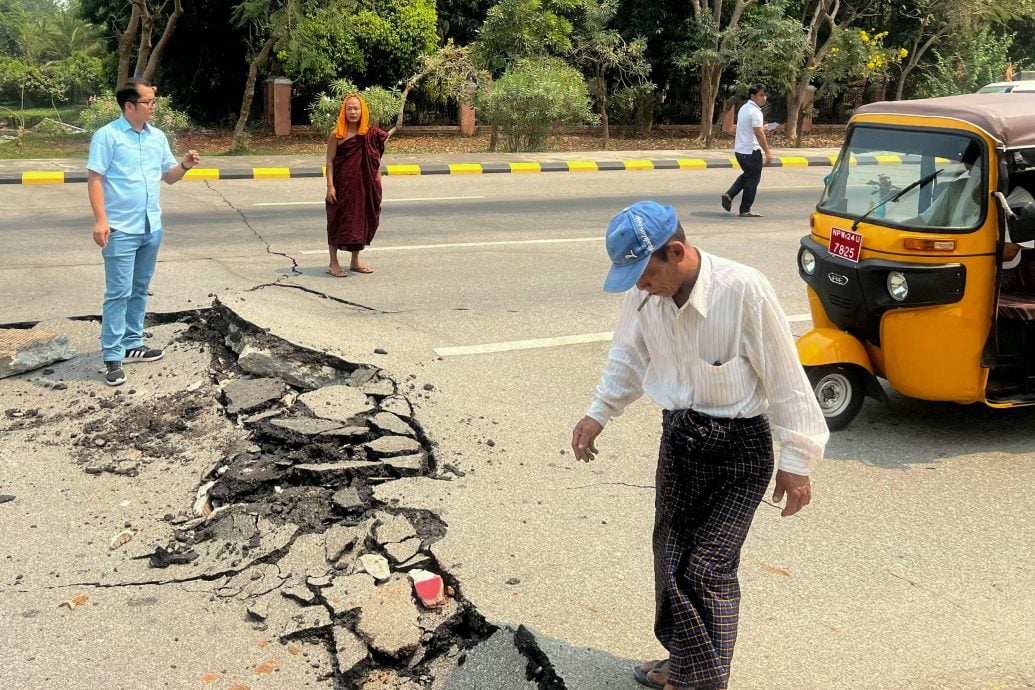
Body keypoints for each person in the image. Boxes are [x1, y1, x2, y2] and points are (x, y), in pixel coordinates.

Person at [570, 201, 828, 690]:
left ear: (677, 252)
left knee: (707, 567)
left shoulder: (743, 290)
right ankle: (684, 660)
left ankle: (697, 682)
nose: (638, 287)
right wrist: (597, 413)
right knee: (671, 558)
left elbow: (785, 376)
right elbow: (628, 355)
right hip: (680, 439)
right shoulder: (645, 297)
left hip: (740, 450)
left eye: (644, 275)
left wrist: (797, 459)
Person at [87, 78, 200, 387]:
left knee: (139, 289)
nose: (154, 106)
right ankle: (112, 355)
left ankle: (132, 343)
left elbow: (169, 177)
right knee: (118, 293)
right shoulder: (107, 137)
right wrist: (101, 220)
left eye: (153, 101)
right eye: (149, 102)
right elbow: (95, 179)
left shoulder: (157, 137)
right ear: (129, 106)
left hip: (152, 227)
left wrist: (185, 165)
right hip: (121, 228)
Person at [324, 93, 396, 277]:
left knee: (359, 222)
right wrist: (330, 186)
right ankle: (333, 262)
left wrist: (377, 181)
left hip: (363, 187)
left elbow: (376, 159)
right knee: (336, 221)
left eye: (356, 108)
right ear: (344, 111)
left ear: (362, 111)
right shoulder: (337, 134)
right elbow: (330, 162)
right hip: (341, 186)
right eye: (349, 108)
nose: (353, 112)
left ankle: (355, 260)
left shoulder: (369, 135)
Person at [721, 84, 773, 218]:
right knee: (753, 180)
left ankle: (729, 195)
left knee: (748, 175)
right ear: (752, 96)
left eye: (764, 95)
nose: (764, 98)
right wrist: (767, 151)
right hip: (751, 151)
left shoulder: (745, 108)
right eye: (761, 95)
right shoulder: (756, 112)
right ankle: (745, 209)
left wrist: (763, 127)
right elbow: (758, 133)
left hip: (740, 150)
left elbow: (753, 128)